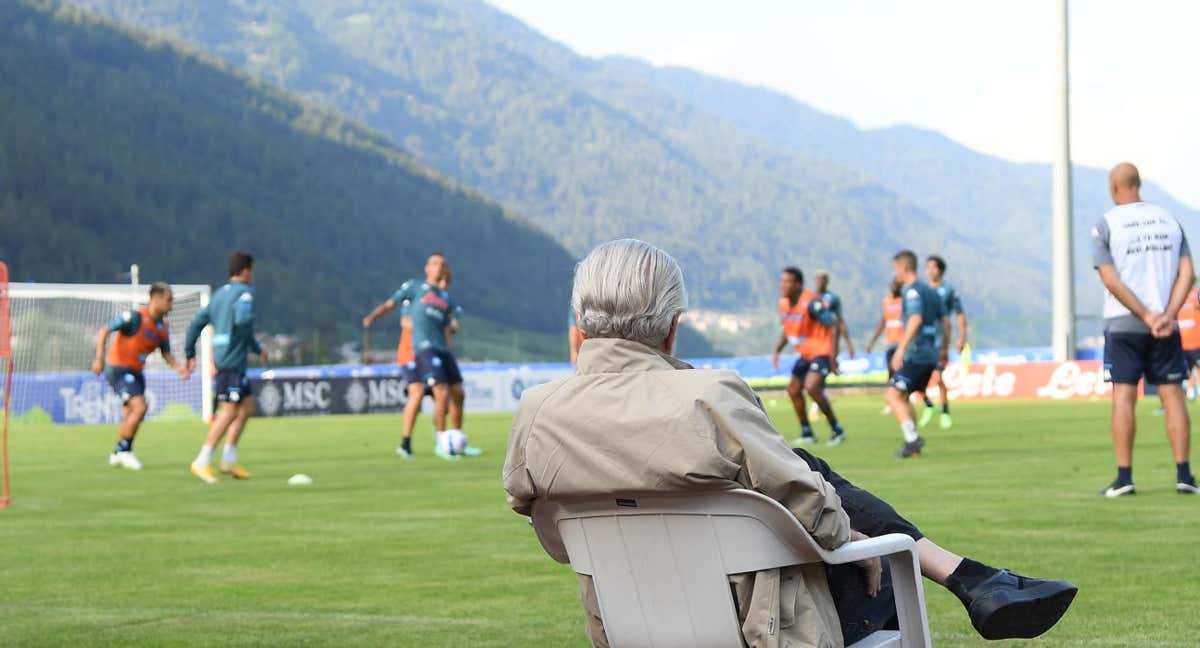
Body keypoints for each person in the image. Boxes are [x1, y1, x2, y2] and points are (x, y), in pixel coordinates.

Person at [504, 239, 1077, 647]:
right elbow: (821, 519)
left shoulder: (536, 412)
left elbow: (553, 536)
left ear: (579, 321)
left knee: (801, 465)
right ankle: (967, 577)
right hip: (758, 629)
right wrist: (848, 532)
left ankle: (973, 578)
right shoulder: (710, 397)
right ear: (672, 326)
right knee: (857, 530)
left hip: (629, 622)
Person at [1092, 162, 1197, 496]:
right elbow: (1187, 274)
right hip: (1166, 326)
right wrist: (1165, 314)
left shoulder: (1107, 223)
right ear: (1139, 184)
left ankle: (1124, 478)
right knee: (1173, 394)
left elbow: (1109, 277)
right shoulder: (1169, 220)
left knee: (1123, 395)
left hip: (1124, 325)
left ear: (1114, 187)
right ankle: (1184, 475)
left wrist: (1145, 314)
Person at [363, 254, 465, 459]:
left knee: (450, 394)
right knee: (419, 393)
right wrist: (372, 317)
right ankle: (409, 443)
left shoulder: (444, 302)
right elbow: (405, 322)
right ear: (427, 268)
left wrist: (449, 332)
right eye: (436, 265)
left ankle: (451, 438)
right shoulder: (415, 292)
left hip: (435, 351)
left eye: (443, 268)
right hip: (410, 353)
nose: (441, 272)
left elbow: (447, 329)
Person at [183, 252, 266, 484]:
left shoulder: (219, 295)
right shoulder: (245, 294)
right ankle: (202, 460)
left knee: (247, 405)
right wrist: (253, 345)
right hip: (231, 361)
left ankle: (228, 459)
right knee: (229, 411)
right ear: (247, 270)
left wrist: (190, 353)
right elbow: (243, 321)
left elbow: (195, 324)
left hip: (227, 360)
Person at [91, 282, 190, 470]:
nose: (172, 305)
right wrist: (99, 359)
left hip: (136, 371)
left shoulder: (163, 327)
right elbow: (105, 330)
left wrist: (178, 368)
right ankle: (123, 451)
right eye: (169, 300)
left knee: (131, 413)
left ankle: (118, 453)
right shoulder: (135, 317)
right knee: (140, 407)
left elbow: (165, 353)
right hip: (119, 368)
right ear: (156, 299)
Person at [884, 250, 949, 458]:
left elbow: (915, 319)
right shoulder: (931, 291)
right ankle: (913, 444)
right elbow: (946, 323)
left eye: (896, 269)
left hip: (917, 353)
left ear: (903, 268)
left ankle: (912, 439)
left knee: (892, 394)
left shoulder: (912, 291)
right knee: (903, 395)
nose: (896, 274)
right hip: (930, 353)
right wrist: (944, 350)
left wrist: (900, 349)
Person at [772, 267, 846, 446]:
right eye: (781, 281)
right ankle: (807, 433)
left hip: (821, 352)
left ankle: (837, 430)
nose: (783, 285)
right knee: (793, 390)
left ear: (798, 284)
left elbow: (834, 325)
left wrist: (833, 357)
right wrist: (777, 350)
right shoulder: (783, 303)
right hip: (805, 354)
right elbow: (788, 329)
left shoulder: (812, 303)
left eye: (787, 281)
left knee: (812, 387)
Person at [914, 255, 967, 430]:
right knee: (917, 379)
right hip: (920, 340)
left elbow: (959, 315)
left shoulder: (948, 291)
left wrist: (961, 337)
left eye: (933, 267)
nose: (929, 270)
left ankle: (944, 411)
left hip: (938, 340)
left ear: (941, 270)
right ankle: (929, 405)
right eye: (927, 267)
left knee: (937, 376)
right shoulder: (921, 289)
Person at [866, 279, 904, 415]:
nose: (894, 287)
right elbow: (883, 322)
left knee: (902, 372)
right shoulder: (886, 301)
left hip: (903, 344)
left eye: (897, 285)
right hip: (890, 343)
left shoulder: (904, 301)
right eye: (892, 285)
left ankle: (903, 399)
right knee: (891, 372)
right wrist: (872, 342)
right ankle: (891, 403)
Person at [815, 270, 855, 358]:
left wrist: (849, 344)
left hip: (829, 339)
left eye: (823, 279)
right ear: (815, 281)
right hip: (813, 339)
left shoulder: (833, 298)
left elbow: (840, 320)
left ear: (827, 281)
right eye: (818, 279)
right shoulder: (810, 297)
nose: (821, 281)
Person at [1177, 284, 1200, 400]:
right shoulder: (1176, 294)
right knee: (1188, 368)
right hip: (1181, 341)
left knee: (1197, 365)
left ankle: (1197, 389)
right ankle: (1190, 390)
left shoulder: (1196, 293)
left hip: (1196, 341)